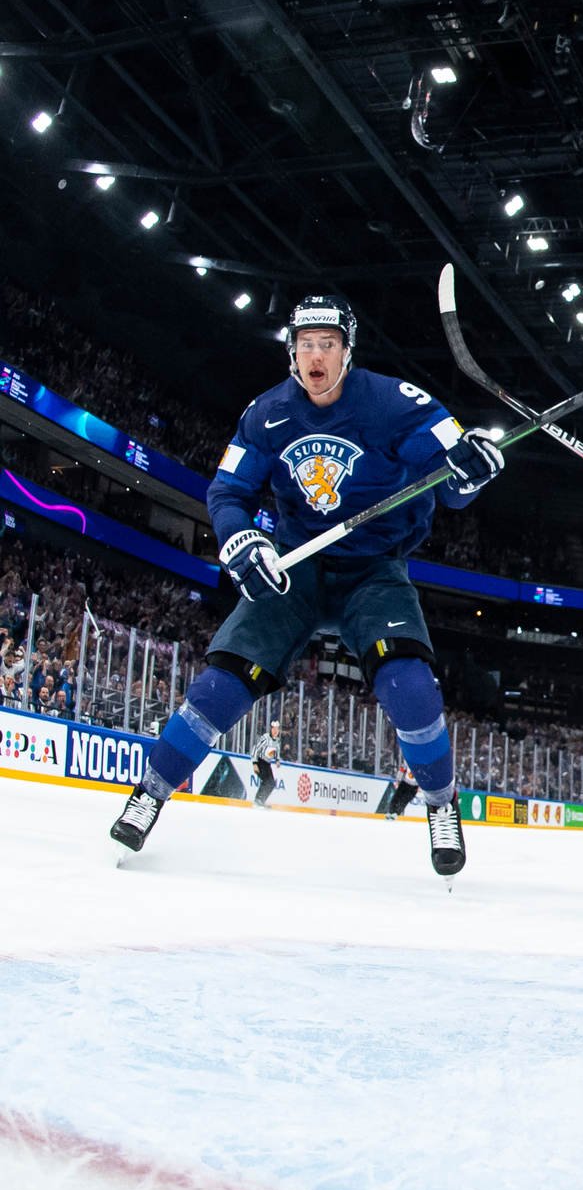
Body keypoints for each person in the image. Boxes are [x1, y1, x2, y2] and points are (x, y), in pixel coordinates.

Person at [108, 295, 504, 881]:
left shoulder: (396, 404)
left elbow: (447, 482)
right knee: (224, 682)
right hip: (295, 565)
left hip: (374, 568)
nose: (315, 355)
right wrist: (243, 540)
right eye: (305, 343)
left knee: (409, 685)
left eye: (328, 344)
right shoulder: (265, 414)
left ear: (347, 351)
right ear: (292, 351)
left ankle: (442, 804)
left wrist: (470, 473)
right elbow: (228, 493)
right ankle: (150, 792)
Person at [250, 718, 282, 807]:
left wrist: (277, 760)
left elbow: (277, 751)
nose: (275, 731)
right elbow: (256, 749)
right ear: (271, 729)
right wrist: (255, 763)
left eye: (277, 729)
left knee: (271, 783)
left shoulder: (277, 741)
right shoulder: (265, 738)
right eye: (274, 729)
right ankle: (258, 800)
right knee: (267, 781)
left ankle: (261, 801)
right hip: (260, 761)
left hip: (267, 764)